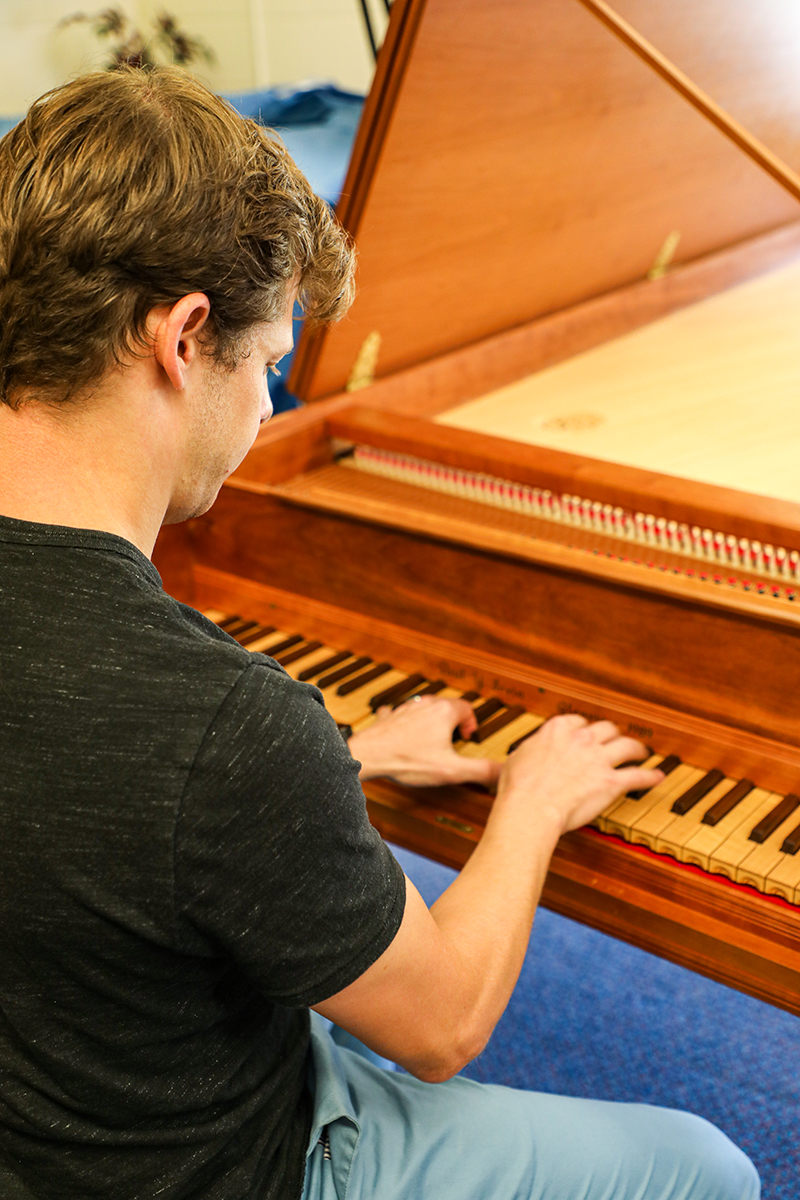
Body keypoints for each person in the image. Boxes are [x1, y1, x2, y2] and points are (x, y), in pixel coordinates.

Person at [0, 66, 759, 1200]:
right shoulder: (221, 721)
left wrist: (341, 768)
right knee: (706, 1167)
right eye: (269, 365)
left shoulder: (198, 734)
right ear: (182, 338)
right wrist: (534, 799)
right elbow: (444, 1022)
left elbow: (89, 796)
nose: (266, 409)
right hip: (222, 1165)